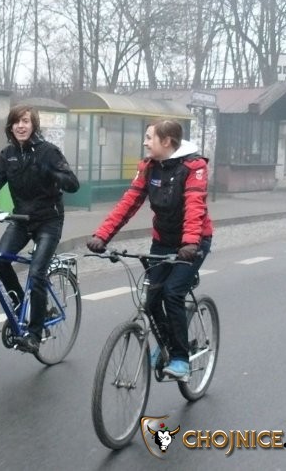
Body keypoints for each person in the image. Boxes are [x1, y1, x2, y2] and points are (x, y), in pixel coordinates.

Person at [86, 120, 213, 381]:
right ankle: (167, 344)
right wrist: (102, 235)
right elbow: (128, 203)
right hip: (163, 240)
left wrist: (190, 242)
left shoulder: (193, 167)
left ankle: (180, 359)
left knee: (172, 293)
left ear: (166, 141)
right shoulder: (149, 168)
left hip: (193, 242)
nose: (144, 143)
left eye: (149, 138)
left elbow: (194, 206)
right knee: (152, 299)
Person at [0, 104, 79, 353]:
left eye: (26, 121)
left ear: (33, 125)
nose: (21, 126)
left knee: (37, 273)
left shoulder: (49, 152)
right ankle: (21, 309)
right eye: (16, 121)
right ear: (10, 126)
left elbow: (73, 184)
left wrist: (54, 173)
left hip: (48, 221)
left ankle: (35, 334)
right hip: (21, 220)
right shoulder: (7, 155)